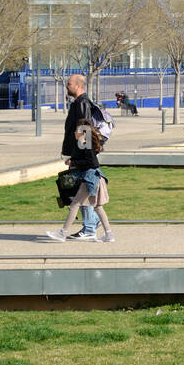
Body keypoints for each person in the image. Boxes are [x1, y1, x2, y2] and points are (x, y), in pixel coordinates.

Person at [46, 74, 112, 242]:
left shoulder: (82, 104)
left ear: (78, 86)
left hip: (81, 158)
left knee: (81, 193)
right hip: (80, 157)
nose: (66, 86)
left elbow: (84, 128)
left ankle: (89, 227)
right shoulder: (78, 103)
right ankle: (95, 227)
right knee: (84, 194)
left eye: (69, 84)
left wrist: (77, 158)